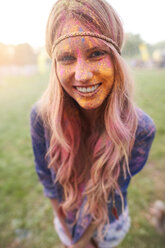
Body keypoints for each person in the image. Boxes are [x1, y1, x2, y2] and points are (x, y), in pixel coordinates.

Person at [30, 0, 156, 247]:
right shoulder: (41, 117)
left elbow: (110, 193)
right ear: (54, 66)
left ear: (116, 59)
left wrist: (84, 242)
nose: (82, 74)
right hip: (66, 223)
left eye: (96, 53)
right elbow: (47, 180)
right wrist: (70, 235)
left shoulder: (140, 129)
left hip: (110, 226)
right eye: (66, 58)